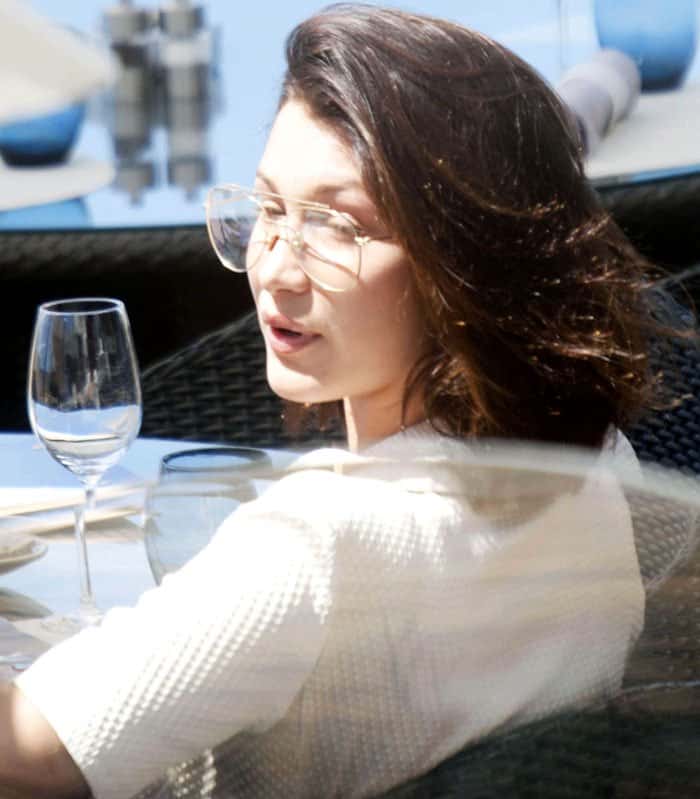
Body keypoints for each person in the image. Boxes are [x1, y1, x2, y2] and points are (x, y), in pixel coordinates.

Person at [0, 4, 677, 797]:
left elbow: (27, 757)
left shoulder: (316, 545)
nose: (276, 270)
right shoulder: (596, 467)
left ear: (463, 259)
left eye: (339, 226)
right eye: (268, 210)